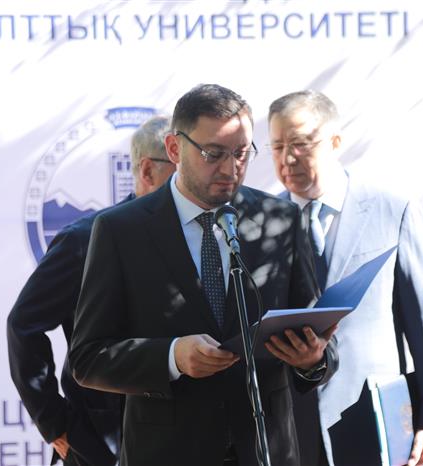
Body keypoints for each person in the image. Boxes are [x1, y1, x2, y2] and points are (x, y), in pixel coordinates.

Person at [68, 83, 338, 466]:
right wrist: (172, 356)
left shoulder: (281, 219)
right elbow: (87, 359)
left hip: (265, 452)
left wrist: (313, 360)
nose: (230, 169)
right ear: (174, 148)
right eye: (213, 154)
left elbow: (318, 334)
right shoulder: (120, 231)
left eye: (241, 153)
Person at [268, 90, 423, 466]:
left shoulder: (392, 210)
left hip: (374, 421)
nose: (288, 158)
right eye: (277, 146)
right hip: (289, 430)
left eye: (301, 144)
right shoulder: (260, 222)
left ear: (335, 142)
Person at [7, 115, 176, 465]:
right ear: (148, 171)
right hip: (103, 442)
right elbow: (23, 325)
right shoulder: (85, 239)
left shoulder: (204, 237)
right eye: (184, 168)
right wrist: (56, 424)